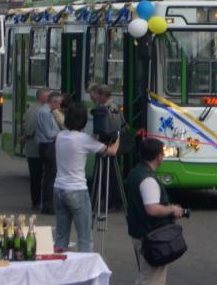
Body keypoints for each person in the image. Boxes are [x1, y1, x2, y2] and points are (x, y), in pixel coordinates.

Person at [54, 102, 119, 252]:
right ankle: (84, 269)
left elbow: (84, 141)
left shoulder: (60, 136)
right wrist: (118, 135)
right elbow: (111, 151)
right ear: (83, 121)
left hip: (58, 189)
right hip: (77, 190)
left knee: (61, 236)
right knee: (84, 236)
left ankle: (59, 267)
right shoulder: (84, 139)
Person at [126, 138, 186, 285]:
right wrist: (172, 209)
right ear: (159, 156)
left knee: (146, 276)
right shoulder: (148, 180)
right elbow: (152, 209)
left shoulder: (136, 172)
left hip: (140, 232)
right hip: (151, 236)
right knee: (151, 279)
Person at [91, 84, 129, 210]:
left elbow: (113, 128)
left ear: (102, 95)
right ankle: (111, 201)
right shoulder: (112, 107)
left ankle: (112, 202)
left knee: (110, 176)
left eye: (97, 94)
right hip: (111, 143)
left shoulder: (109, 108)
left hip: (109, 144)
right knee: (110, 175)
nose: (95, 97)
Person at [23, 89, 50, 210]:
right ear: (41, 97)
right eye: (48, 96)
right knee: (38, 176)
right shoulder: (38, 110)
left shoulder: (34, 109)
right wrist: (28, 135)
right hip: (36, 147)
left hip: (34, 147)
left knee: (36, 176)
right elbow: (30, 127)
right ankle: (38, 202)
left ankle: (37, 201)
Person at [36, 88, 61, 215]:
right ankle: (47, 205)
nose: (60, 105)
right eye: (59, 103)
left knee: (51, 175)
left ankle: (48, 203)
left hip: (49, 146)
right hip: (47, 146)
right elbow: (49, 133)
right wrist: (62, 135)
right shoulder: (45, 113)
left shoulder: (49, 111)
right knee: (50, 176)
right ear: (53, 101)